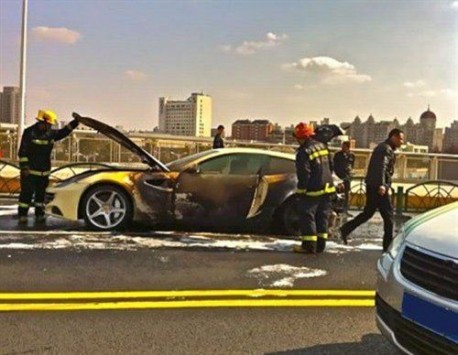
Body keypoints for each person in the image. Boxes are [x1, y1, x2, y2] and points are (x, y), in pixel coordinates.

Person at [340, 129, 405, 252]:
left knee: (368, 213)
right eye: (400, 139)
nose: (402, 141)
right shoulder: (386, 149)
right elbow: (382, 167)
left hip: (373, 185)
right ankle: (387, 246)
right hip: (378, 187)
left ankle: (345, 229)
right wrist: (382, 185)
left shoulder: (384, 147)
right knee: (389, 217)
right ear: (393, 137)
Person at [17, 110, 80, 224]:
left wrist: (75, 122)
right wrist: (25, 167)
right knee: (26, 195)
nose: (50, 126)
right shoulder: (29, 132)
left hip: (44, 172)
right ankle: (22, 215)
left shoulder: (50, 133)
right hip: (30, 173)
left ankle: (39, 215)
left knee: (40, 197)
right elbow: (22, 152)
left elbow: (63, 132)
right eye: (49, 124)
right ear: (42, 122)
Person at [293, 122, 336, 254]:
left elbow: (304, 174)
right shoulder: (322, 145)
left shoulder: (303, 151)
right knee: (322, 216)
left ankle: (309, 245)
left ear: (301, 137)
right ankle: (321, 245)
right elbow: (331, 166)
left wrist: (301, 192)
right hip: (328, 187)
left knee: (307, 215)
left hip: (313, 189)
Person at [333, 141, 355, 214]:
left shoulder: (351, 155)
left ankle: (346, 209)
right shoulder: (337, 154)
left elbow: (351, 165)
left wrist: (350, 173)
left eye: (344, 146)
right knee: (338, 193)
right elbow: (334, 165)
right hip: (339, 176)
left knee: (347, 193)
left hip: (347, 176)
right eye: (342, 146)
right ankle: (337, 208)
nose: (343, 148)